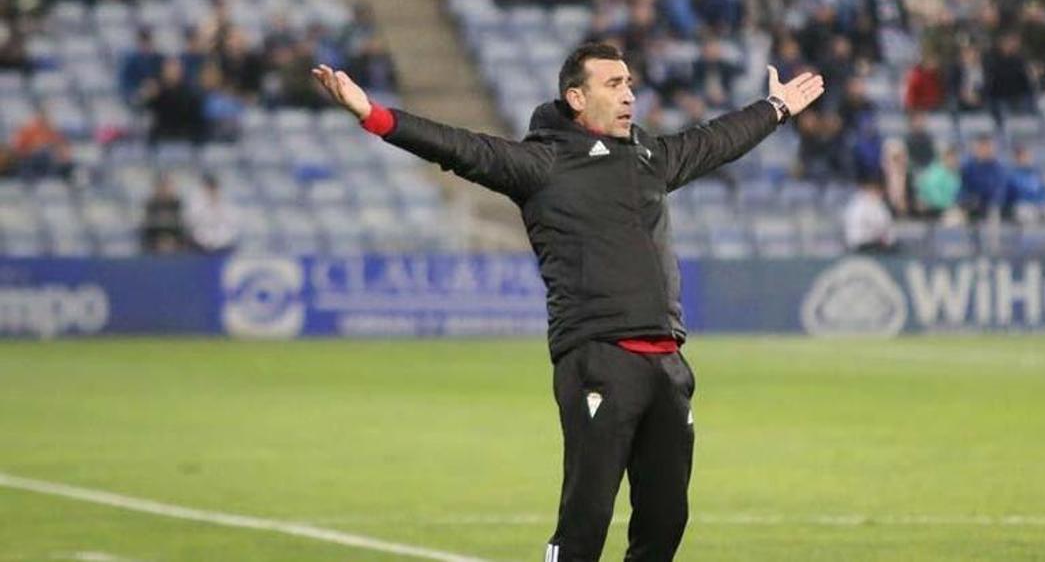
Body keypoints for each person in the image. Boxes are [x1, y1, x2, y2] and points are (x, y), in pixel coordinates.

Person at [312, 42, 825, 561]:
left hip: (668, 364)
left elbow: (716, 140)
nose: (629, 94)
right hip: (599, 359)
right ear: (577, 98)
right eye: (614, 84)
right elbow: (462, 148)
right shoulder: (544, 163)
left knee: (666, 521)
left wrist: (776, 108)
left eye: (629, 83)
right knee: (586, 522)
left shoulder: (650, 157)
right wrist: (374, 115)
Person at [185, 173, 240, 252]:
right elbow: (191, 222)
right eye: (209, 188)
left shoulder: (225, 203)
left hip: (223, 244)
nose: (212, 190)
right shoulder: (195, 203)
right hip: (201, 245)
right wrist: (209, 205)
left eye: (214, 188)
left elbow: (232, 222)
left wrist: (216, 206)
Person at [843, 175, 896, 252]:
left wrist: (888, 239)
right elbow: (857, 233)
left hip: (877, 242)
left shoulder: (879, 204)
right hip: (862, 244)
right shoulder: (858, 205)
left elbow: (887, 227)